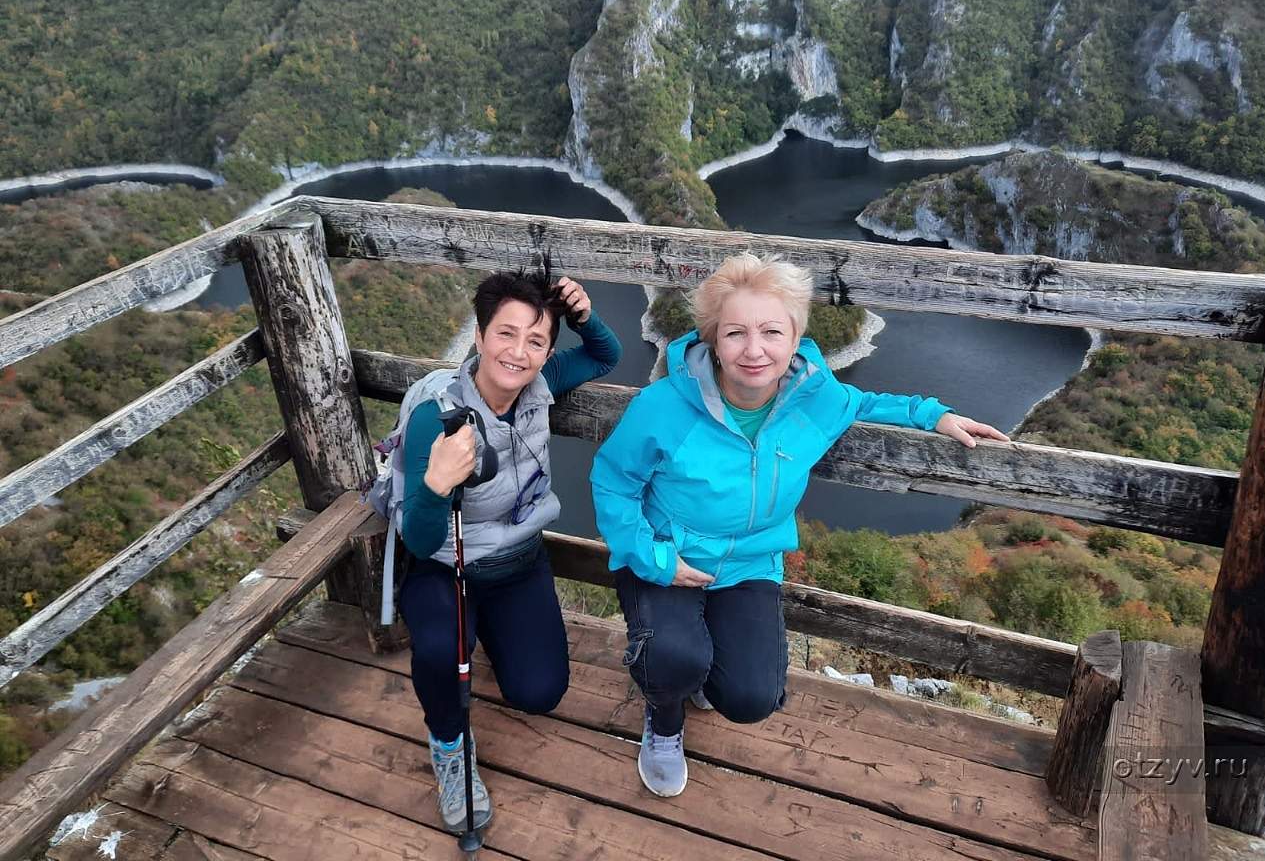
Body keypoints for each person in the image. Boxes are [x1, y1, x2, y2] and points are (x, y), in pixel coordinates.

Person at [589, 252, 1008, 798]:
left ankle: (692, 675)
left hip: (749, 564)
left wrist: (934, 415)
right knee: (672, 659)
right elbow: (613, 481)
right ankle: (664, 716)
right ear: (712, 339)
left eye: (771, 331)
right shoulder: (663, 406)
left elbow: (864, 401)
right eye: (735, 332)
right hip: (665, 554)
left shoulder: (815, 397)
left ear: (794, 339)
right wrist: (653, 559)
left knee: (751, 698)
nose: (754, 349)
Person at [398, 267, 621, 831]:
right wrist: (435, 484)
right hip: (446, 567)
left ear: (547, 352)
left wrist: (582, 315)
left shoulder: (540, 385)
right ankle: (449, 745)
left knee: (539, 692)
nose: (518, 353)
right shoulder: (437, 416)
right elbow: (419, 540)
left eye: (536, 340)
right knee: (440, 655)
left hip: (518, 564)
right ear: (478, 336)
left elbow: (604, 355)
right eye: (506, 333)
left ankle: (486, 636)